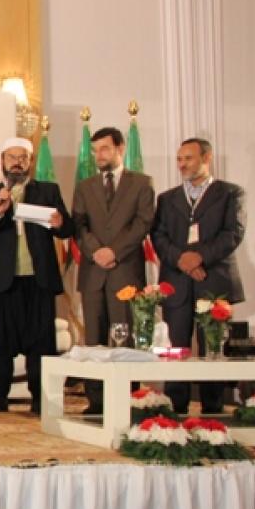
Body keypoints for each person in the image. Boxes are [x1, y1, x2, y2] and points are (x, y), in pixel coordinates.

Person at [0, 138, 75, 413]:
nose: (17, 163)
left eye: (22, 158)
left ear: (30, 162)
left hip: (38, 280)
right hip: (1, 282)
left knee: (41, 344)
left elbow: (66, 229)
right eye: (12, 157)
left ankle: (40, 400)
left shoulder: (47, 191)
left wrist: (60, 223)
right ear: (2, 161)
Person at [152, 137, 245, 414]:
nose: (182, 164)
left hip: (213, 281)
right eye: (179, 159)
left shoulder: (229, 193)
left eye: (188, 158)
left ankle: (213, 410)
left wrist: (199, 257)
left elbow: (232, 233)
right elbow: (158, 236)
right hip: (176, 281)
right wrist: (182, 260)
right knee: (176, 348)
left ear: (207, 158)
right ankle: (175, 410)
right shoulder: (167, 198)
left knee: (213, 349)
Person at [71, 126, 155, 413]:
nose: (99, 155)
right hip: (93, 273)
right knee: (94, 341)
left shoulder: (141, 183)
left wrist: (114, 251)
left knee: (124, 339)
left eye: (105, 149)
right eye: (95, 150)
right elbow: (79, 225)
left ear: (120, 148)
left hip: (125, 272)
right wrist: (96, 251)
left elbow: (143, 223)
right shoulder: (85, 187)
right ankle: (95, 402)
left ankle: (125, 400)